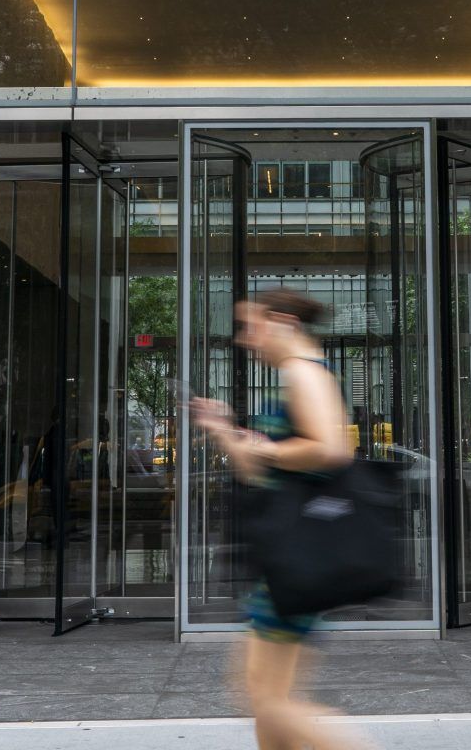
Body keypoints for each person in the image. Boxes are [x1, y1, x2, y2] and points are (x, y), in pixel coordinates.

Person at [190, 290, 361, 750]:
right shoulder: (297, 376)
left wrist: (263, 446)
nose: (246, 339)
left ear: (283, 322)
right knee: (267, 696)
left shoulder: (305, 374)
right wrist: (226, 431)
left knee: (263, 697)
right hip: (286, 557)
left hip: (295, 557)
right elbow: (261, 472)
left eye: (250, 326)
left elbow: (332, 449)